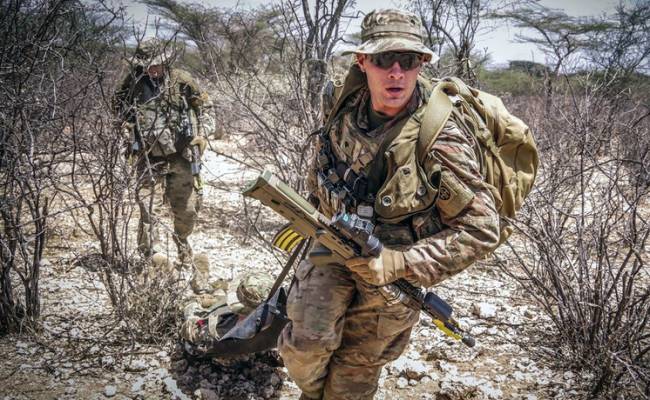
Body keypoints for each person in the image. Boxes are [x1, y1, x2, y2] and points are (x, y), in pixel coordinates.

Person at [277, 9, 501, 400]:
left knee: (352, 378)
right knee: (303, 350)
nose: (396, 72)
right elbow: (328, 159)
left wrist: (400, 263)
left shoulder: (440, 136)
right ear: (362, 62)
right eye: (383, 60)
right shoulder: (342, 101)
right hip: (334, 244)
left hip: (395, 273)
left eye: (408, 61)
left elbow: (482, 230)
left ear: (422, 64)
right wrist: (313, 212)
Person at [113, 38, 213, 292]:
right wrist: (127, 129)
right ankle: (150, 256)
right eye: (146, 66)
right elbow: (117, 107)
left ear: (165, 61)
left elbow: (206, 107)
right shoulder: (133, 82)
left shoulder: (181, 80)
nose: (151, 70)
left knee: (187, 209)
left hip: (180, 154)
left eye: (155, 65)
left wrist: (203, 135)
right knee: (147, 208)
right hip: (147, 156)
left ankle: (182, 244)